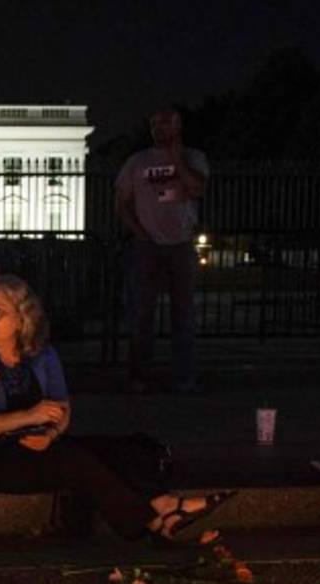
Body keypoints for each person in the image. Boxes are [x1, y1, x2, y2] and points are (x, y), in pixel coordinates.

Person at [0, 274, 233, 543]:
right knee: (75, 460)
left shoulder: (41, 354)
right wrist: (28, 416)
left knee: (125, 448)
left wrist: (50, 434)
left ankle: (165, 502)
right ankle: (153, 524)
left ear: (22, 317)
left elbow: (62, 409)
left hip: (41, 445)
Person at [115, 106, 209, 394]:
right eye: (154, 123)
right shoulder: (137, 162)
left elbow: (197, 188)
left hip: (181, 244)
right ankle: (139, 377)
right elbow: (120, 203)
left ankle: (183, 378)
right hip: (147, 247)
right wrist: (140, 233)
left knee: (184, 315)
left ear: (178, 125)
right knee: (141, 315)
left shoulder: (194, 158)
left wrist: (177, 159)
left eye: (165, 123)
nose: (158, 128)